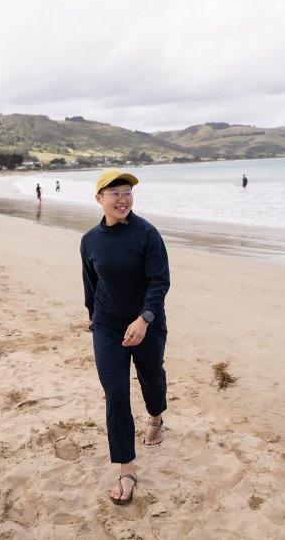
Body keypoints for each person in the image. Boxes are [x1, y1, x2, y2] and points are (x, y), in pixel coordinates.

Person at [80, 170, 170, 506]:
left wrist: (144, 319)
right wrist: (94, 319)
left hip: (147, 322)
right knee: (116, 394)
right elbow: (91, 285)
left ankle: (157, 417)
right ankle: (127, 469)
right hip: (107, 327)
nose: (123, 199)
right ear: (99, 199)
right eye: (114, 192)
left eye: (128, 192)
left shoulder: (147, 234)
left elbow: (159, 282)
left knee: (152, 379)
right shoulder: (89, 240)